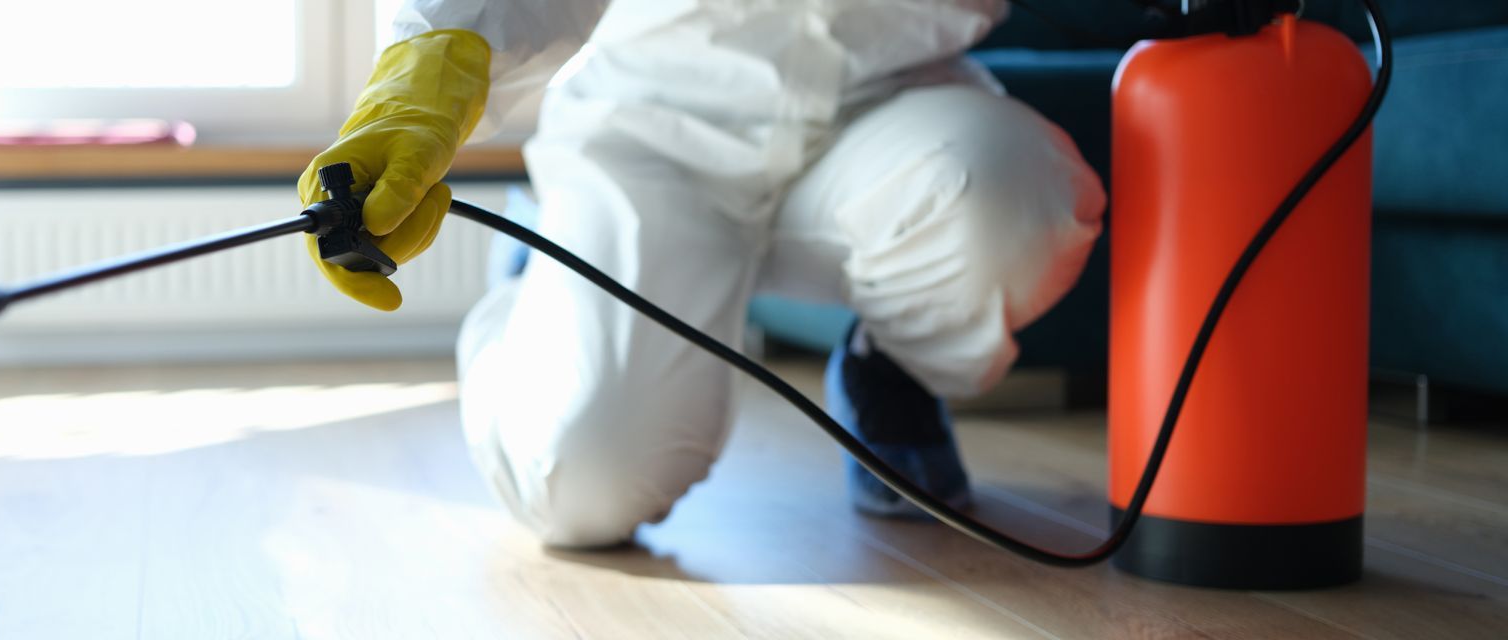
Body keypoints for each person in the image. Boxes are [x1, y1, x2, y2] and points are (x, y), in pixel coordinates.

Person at [299, 0, 1104, 548]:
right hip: (654, 125)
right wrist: (427, 73)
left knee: (1021, 203)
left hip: (887, 101)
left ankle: (884, 370)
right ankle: (533, 283)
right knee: (584, 484)